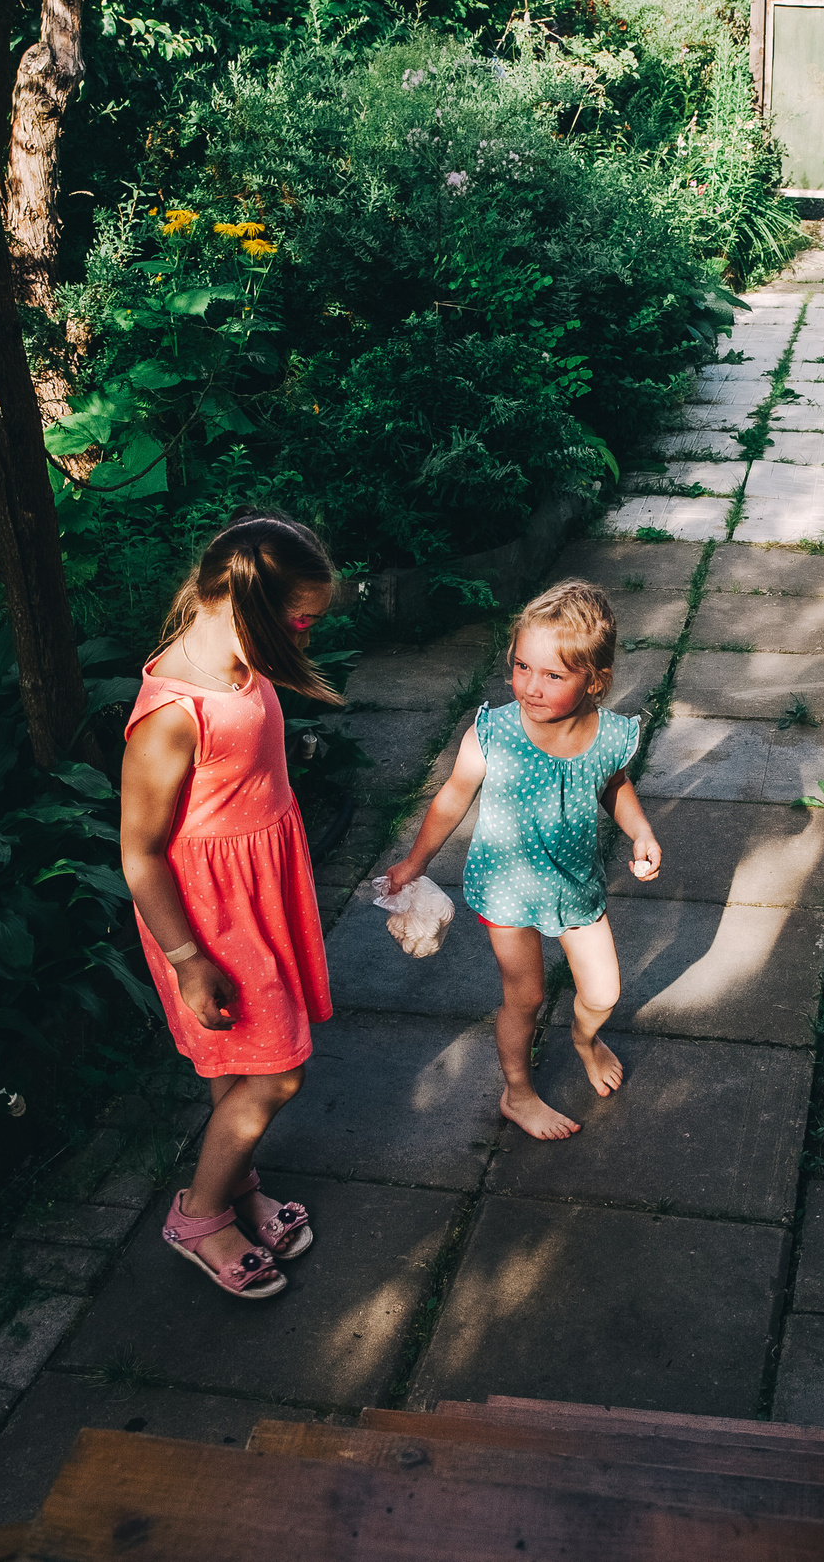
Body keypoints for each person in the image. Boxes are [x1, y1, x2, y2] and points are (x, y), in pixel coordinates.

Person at [119, 513, 342, 1299]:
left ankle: (239, 1181)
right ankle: (200, 1214)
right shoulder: (174, 714)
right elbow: (139, 853)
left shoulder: (240, 665)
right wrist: (188, 962)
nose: (307, 636)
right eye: (301, 620)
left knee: (238, 1066)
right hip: (211, 920)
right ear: (244, 601)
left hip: (261, 891)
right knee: (278, 1073)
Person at [383, 580, 663, 1140]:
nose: (531, 687)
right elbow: (451, 798)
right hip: (506, 889)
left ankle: (585, 1038)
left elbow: (614, 786)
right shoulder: (494, 732)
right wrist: (415, 862)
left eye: (554, 675)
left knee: (603, 992)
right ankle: (519, 1092)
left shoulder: (609, 736)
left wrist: (641, 832)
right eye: (521, 667)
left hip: (574, 885)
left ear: (594, 681)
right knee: (526, 996)